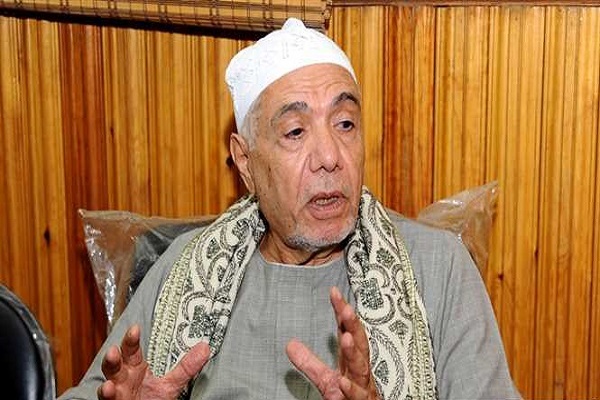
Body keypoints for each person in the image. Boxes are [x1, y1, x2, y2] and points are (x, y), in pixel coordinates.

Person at [59, 18, 521, 400]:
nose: (330, 156)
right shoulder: (184, 267)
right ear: (245, 162)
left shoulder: (438, 268)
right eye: (296, 132)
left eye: (345, 124)